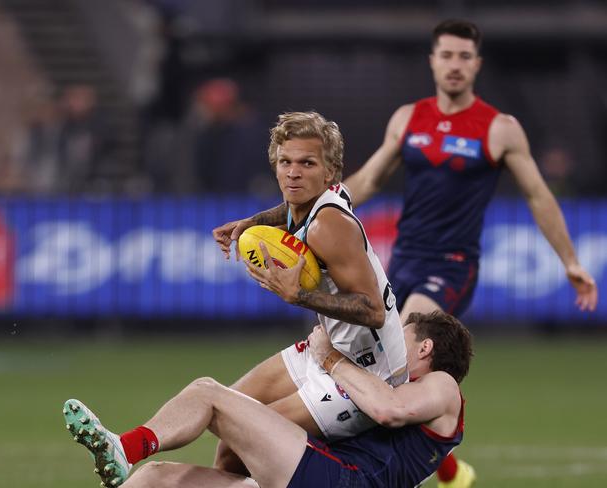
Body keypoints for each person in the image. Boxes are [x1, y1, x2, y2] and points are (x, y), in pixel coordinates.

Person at [217, 20, 599, 487]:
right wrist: (281, 218)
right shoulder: (408, 118)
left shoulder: (499, 129)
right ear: (432, 61)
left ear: (476, 65)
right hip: (406, 259)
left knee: (397, 349)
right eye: (446, 55)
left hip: (453, 265)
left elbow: (538, 194)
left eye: (464, 57)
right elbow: (364, 183)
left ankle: (387, 464)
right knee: (385, 358)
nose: (454, 65)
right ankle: (442, 468)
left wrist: (571, 261)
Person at [63, 311, 473, 488]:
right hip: (316, 474)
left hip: (338, 479)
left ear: (426, 349)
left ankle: (126, 446)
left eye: (404, 333)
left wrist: (329, 358)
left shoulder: (443, 386)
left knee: (210, 394)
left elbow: (388, 410)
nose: (394, 341)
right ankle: (129, 455)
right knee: (155, 480)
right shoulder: (391, 383)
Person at [210, 111, 408, 474]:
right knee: (227, 420)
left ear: (329, 172)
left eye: (306, 163)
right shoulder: (317, 202)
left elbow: (373, 311)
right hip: (330, 352)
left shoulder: (329, 224)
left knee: (243, 438)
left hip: (368, 377)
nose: (293, 172)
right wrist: (251, 223)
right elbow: (289, 209)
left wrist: (298, 296)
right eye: (285, 162)